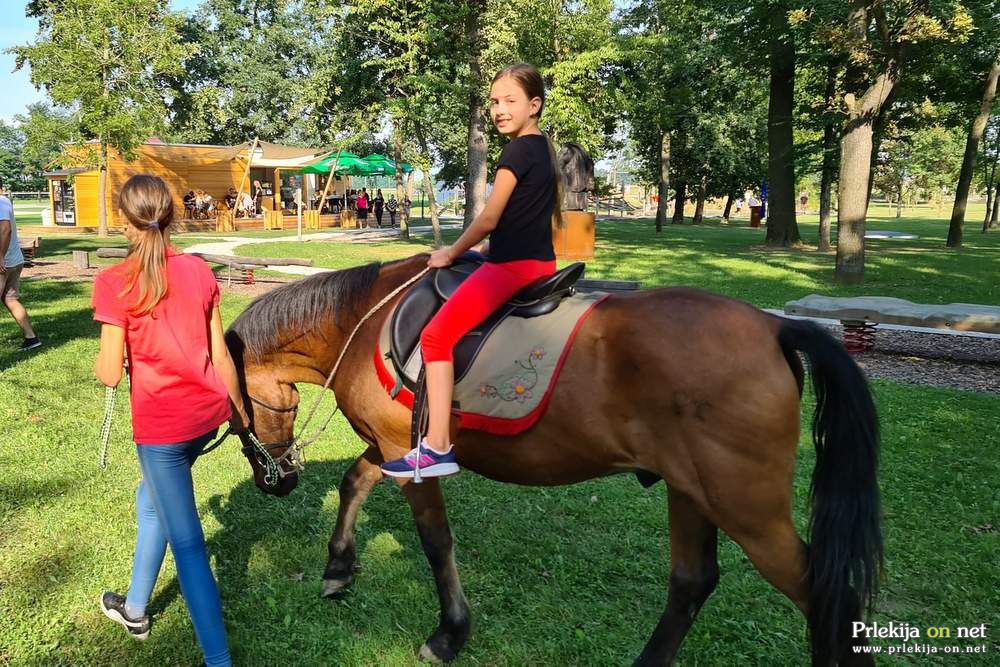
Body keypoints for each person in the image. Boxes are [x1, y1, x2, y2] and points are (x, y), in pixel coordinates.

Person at [92, 175, 248, 667]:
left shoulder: (114, 282)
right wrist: (239, 410)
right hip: (207, 416)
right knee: (152, 500)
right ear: (172, 213)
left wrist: (114, 348)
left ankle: (218, 661)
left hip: (164, 431)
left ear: (124, 221)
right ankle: (135, 608)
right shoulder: (200, 271)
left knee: (189, 544)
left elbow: (109, 376)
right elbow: (221, 355)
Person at [381, 63, 561, 479]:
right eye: (495, 102)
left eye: (510, 101)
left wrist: (452, 251)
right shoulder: (541, 147)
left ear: (534, 105)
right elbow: (527, 218)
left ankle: (439, 445)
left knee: (436, 335)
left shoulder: (516, 151)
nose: (499, 109)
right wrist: (483, 249)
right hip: (537, 259)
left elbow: (489, 217)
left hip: (514, 268)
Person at [0, 180, 41, 352]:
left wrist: (0, 256)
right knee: (10, 298)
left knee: (9, 298)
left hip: (4, 263)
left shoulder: (0, 202)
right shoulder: (5, 200)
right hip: (15, 260)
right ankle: (31, 338)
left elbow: (5, 229)